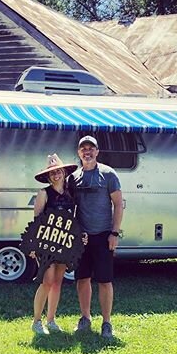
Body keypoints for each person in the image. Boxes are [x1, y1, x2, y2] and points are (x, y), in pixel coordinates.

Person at [68, 136, 123, 339]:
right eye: (83, 149)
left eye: (91, 148)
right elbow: (68, 206)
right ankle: (85, 318)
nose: (87, 152)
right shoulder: (73, 177)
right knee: (82, 279)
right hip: (81, 238)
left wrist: (114, 233)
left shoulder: (108, 174)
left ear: (97, 152)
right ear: (79, 152)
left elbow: (118, 204)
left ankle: (107, 322)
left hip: (103, 236)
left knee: (105, 281)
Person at [31, 153, 78, 335]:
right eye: (52, 173)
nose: (56, 175)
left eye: (58, 171)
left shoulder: (70, 194)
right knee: (47, 281)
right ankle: (36, 321)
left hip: (64, 243)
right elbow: (36, 221)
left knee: (58, 282)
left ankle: (51, 320)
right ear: (48, 176)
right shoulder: (44, 193)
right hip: (46, 243)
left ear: (64, 172)